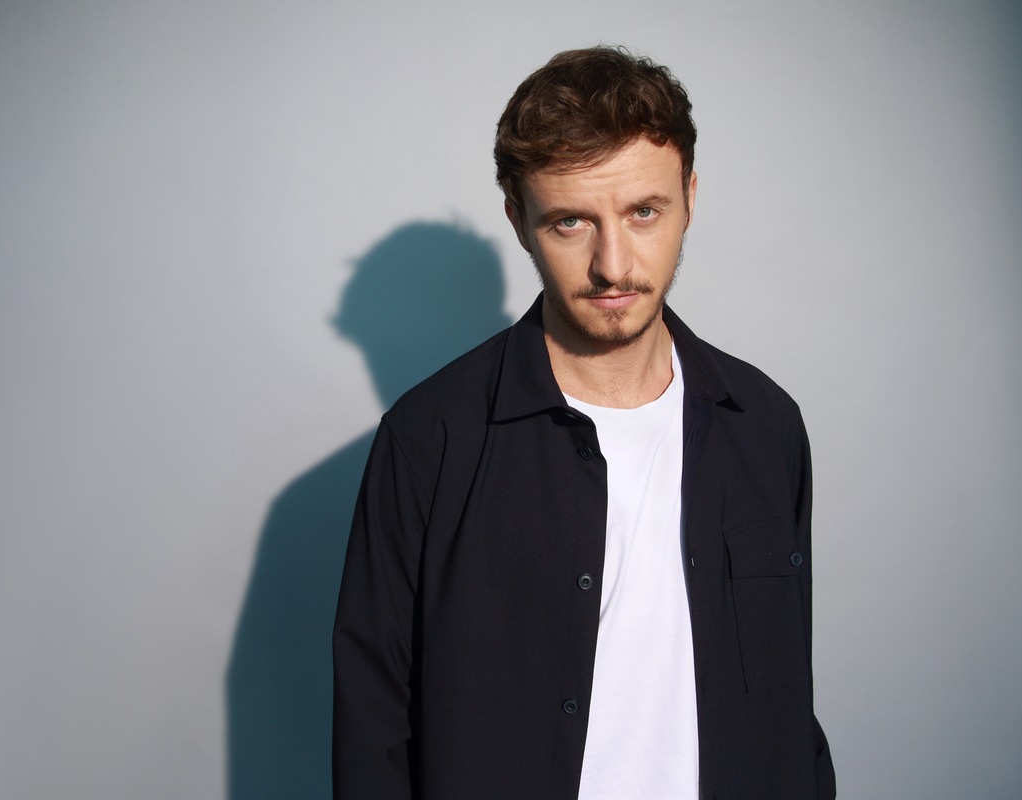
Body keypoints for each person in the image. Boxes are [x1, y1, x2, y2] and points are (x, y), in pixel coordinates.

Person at [332, 46, 836, 800]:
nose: (612, 265)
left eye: (644, 212)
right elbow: (372, 731)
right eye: (571, 222)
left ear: (690, 197)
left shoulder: (765, 425)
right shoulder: (428, 438)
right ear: (519, 220)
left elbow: (787, 696)